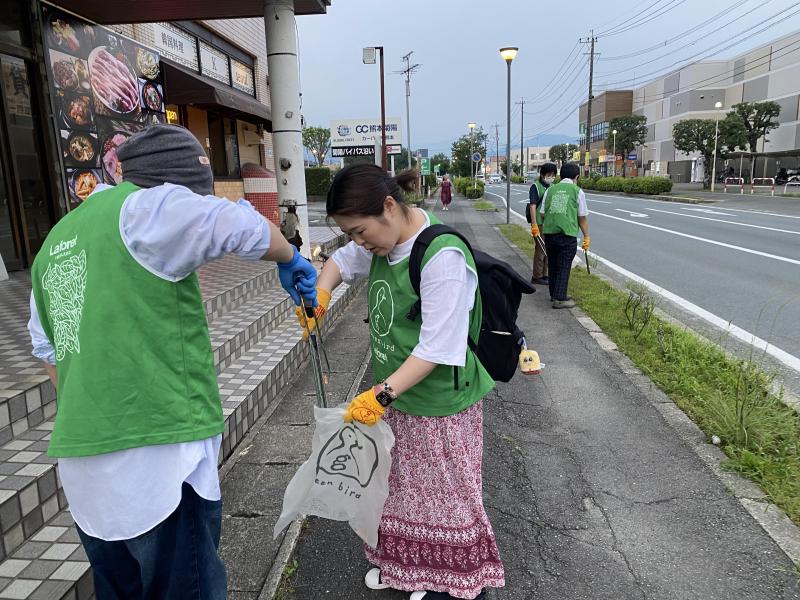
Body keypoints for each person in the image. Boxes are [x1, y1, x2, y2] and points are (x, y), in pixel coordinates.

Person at [27, 124, 317, 599]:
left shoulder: (58, 240)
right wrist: (289, 257)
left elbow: (47, 351)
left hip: (84, 469)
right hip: (158, 463)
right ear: (171, 187)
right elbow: (239, 225)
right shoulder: (147, 207)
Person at [302, 164, 505, 599]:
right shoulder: (379, 245)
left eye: (360, 230)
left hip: (439, 406)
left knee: (445, 494)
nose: (359, 242)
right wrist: (320, 293)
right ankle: (402, 566)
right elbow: (339, 262)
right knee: (396, 489)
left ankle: (448, 582)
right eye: (351, 234)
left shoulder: (441, 257)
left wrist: (382, 393)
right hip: (397, 399)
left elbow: (437, 347)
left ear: (389, 207)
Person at [539, 162, 590, 309]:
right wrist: (586, 236)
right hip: (567, 234)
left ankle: (554, 294)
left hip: (549, 233)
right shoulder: (577, 191)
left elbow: (542, 213)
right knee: (564, 266)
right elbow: (582, 217)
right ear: (577, 176)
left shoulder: (551, 190)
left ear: (561, 176)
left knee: (553, 264)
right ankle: (560, 299)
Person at [528, 163, 557, 285]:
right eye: (549, 175)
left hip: (550, 223)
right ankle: (537, 276)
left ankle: (545, 275)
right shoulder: (536, 186)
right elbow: (533, 206)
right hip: (539, 223)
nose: (551, 177)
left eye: (553, 175)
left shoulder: (553, 187)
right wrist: (534, 224)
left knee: (548, 250)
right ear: (542, 174)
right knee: (540, 249)